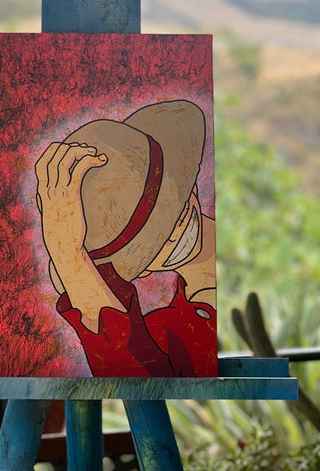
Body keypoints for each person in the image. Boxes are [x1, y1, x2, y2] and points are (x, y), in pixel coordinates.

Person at [35, 100, 217, 377]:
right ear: (140, 269)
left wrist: (70, 257)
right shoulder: (170, 333)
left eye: (166, 212)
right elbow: (132, 372)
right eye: (152, 241)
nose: (171, 233)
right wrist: (69, 257)